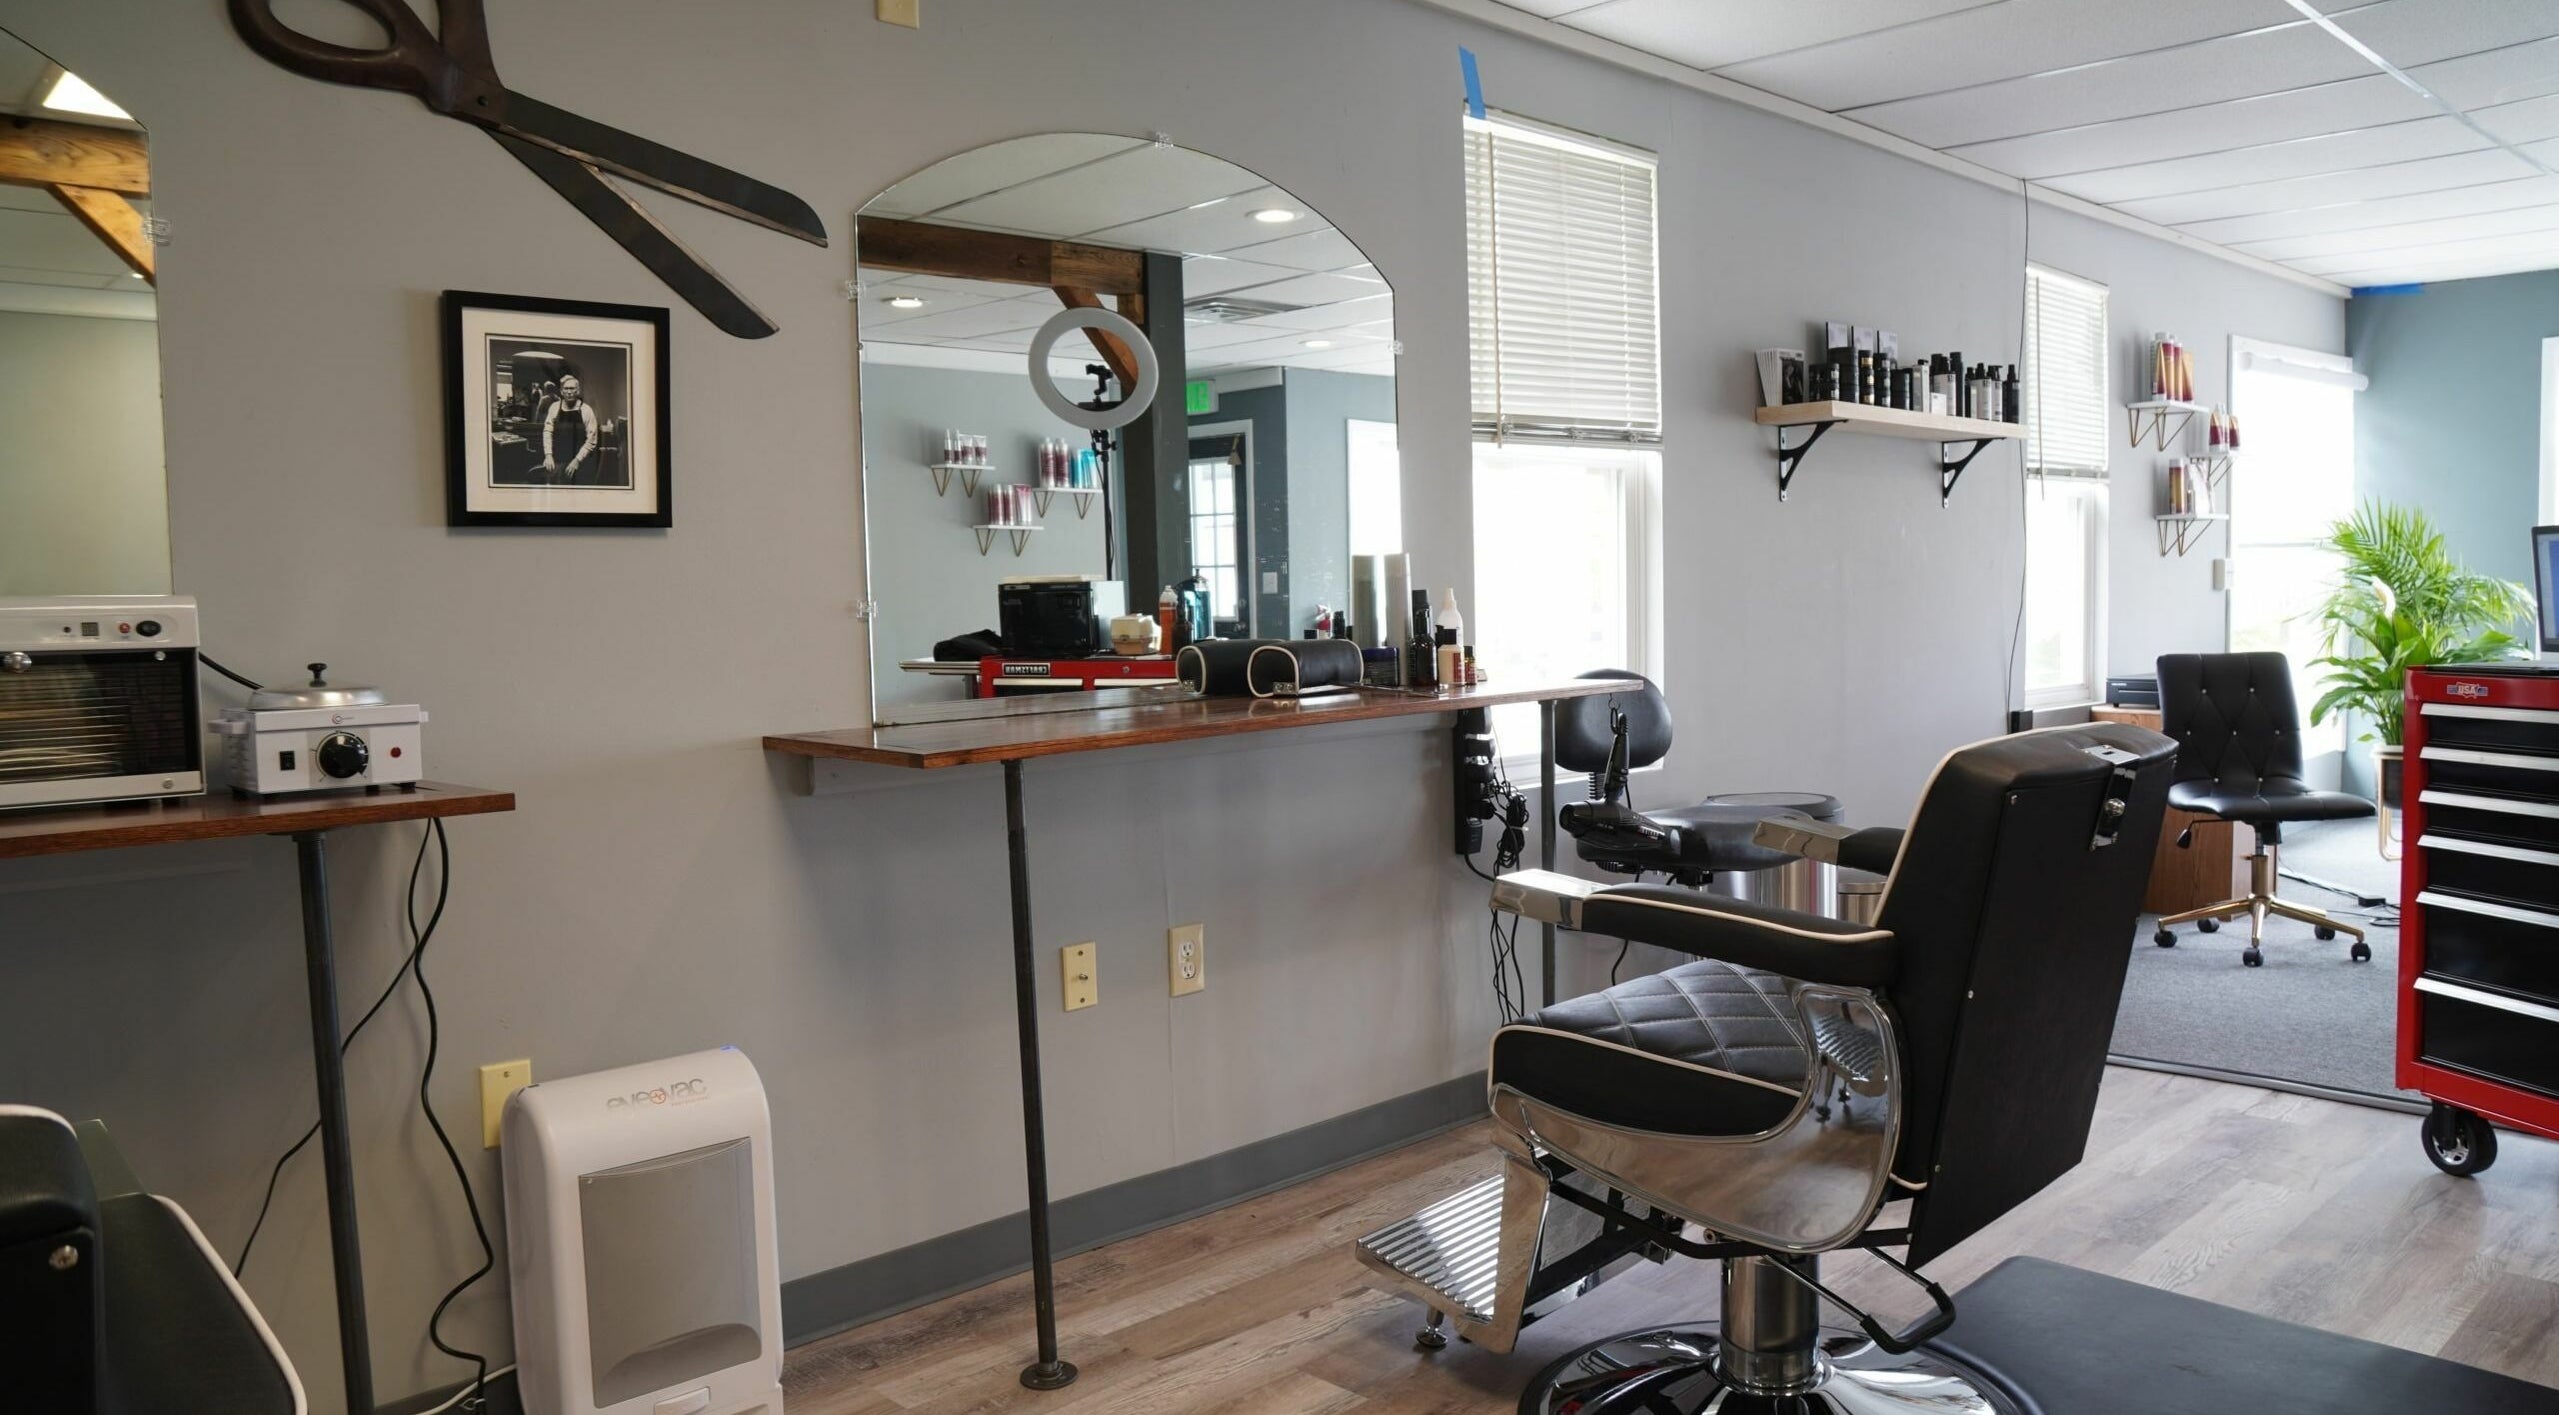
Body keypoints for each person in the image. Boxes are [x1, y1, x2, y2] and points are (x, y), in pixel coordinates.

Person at [541, 375, 600, 484]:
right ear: (561, 391)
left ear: (578, 391)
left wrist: (577, 460)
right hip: (557, 461)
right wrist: (548, 455)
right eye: (566, 388)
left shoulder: (586, 410)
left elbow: (591, 440)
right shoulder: (554, 407)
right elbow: (547, 432)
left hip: (580, 463)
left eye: (572, 388)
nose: (569, 392)